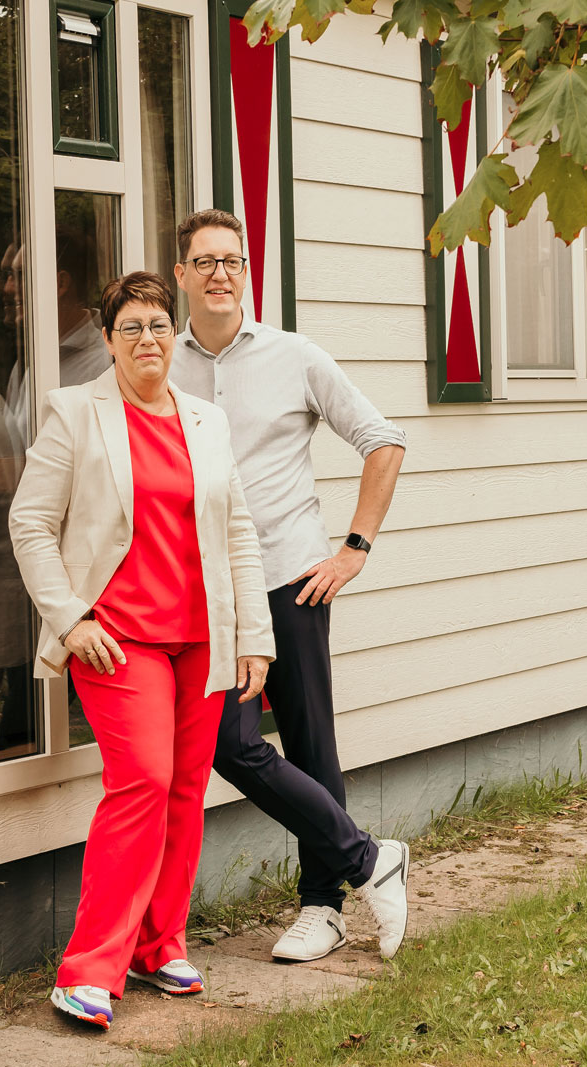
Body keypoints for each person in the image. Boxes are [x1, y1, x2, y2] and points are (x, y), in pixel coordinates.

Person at [10, 270, 275, 1031]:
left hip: (202, 639)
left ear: (174, 333)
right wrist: (70, 619)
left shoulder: (205, 422)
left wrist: (252, 634)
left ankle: (160, 944)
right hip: (118, 643)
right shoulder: (75, 413)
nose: (148, 340)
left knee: (187, 789)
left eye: (159, 325)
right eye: (131, 328)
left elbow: (238, 531)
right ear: (107, 340)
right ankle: (88, 968)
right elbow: (30, 525)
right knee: (142, 784)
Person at [168, 209, 412, 962]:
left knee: (310, 743)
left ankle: (323, 907)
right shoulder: (156, 364)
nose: (219, 273)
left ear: (248, 273)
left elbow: (384, 440)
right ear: (181, 275)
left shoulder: (294, 356)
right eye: (204, 261)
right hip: (208, 590)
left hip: (291, 578)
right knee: (233, 745)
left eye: (232, 261)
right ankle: (368, 855)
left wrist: (353, 549)